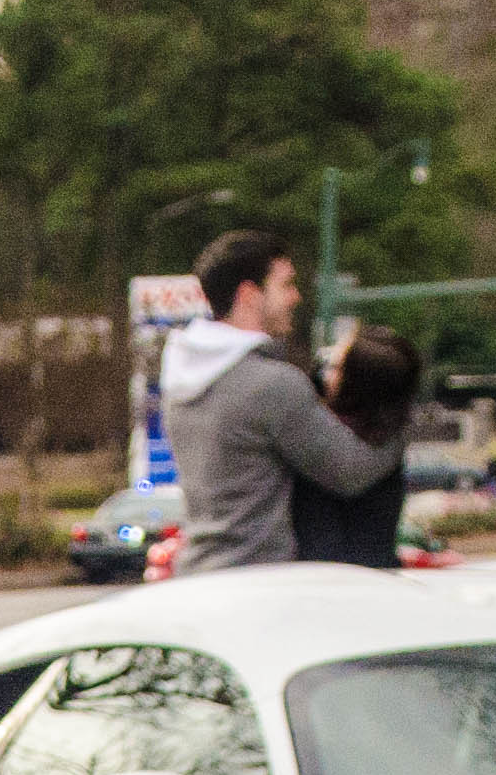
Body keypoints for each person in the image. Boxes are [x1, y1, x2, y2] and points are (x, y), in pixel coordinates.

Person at [163, 229, 400, 574]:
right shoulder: (271, 385)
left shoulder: (182, 376)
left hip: (198, 575)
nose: (296, 297)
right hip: (259, 582)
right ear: (249, 295)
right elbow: (351, 471)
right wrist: (401, 426)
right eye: (286, 285)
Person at [287, 325, 425, 570]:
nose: (324, 374)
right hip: (375, 579)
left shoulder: (320, 443)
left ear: (356, 384)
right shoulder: (389, 442)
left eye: (336, 368)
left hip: (317, 582)